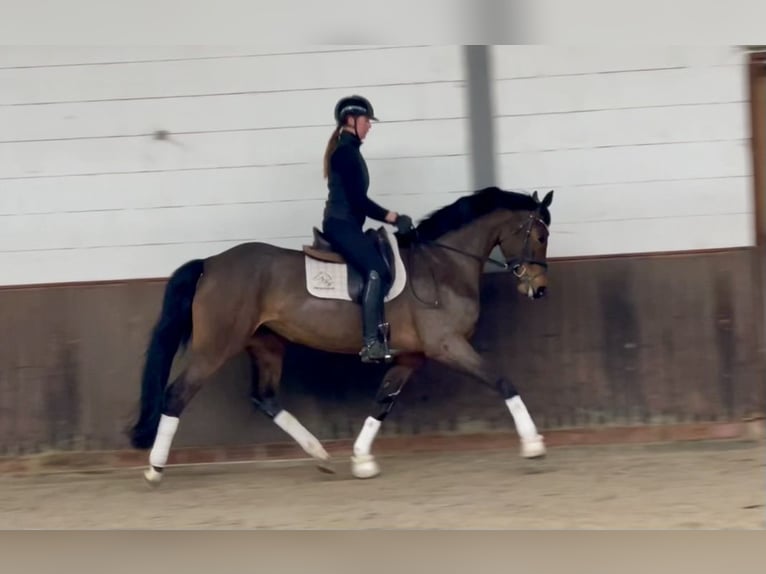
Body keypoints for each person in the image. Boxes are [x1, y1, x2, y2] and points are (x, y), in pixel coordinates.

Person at [321, 94, 415, 363]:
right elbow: (358, 200)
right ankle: (371, 343)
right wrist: (393, 217)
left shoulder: (348, 151)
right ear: (351, 120)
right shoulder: (345, 153)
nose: (370, 126)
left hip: (347, 224)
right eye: (366, 121)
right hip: (341, 225)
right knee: (376, 271)